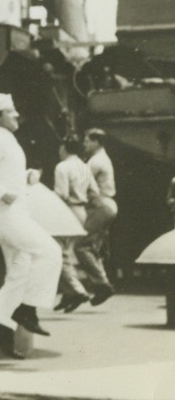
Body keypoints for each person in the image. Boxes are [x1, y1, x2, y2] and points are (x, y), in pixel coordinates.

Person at [0, 94, 62, 357]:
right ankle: (27, 309)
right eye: (11, 112)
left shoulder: (4, 139)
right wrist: (0, 192)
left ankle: (2, 329)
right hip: (7, 216)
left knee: (19, 272)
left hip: (10, 214)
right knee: (50, 251)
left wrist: (25, 176)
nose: (17, 115)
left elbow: (2, 172)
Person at [53, 134, 95, 312]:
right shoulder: (84, 166)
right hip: (82, 210)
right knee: (66, 253)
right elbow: (95, 190)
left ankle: (77, 290)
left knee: (58, 252)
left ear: (64, 147)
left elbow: (61, 193)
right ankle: (68, 292)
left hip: (67, 210)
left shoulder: (62, 167)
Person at [79, 127, 117, 305]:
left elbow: (81, 183)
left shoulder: (96, 162)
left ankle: (102, 284)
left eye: (87, 141)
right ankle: (102, 283)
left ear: (96, 142)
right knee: (94, 247)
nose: (84, 144)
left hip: (101, 204)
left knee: (81, 245)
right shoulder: (102, 158)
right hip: (108, 204)